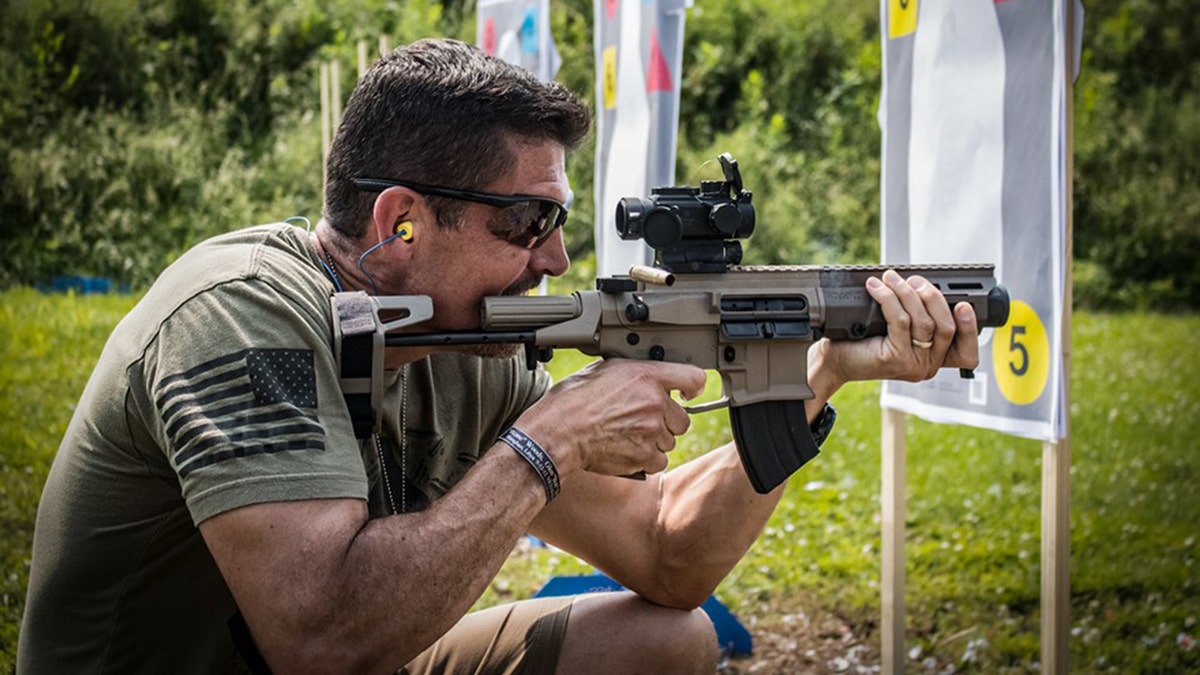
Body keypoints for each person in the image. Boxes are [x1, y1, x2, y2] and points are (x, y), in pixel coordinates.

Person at [18, 38, 980, 674]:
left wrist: (821, 375)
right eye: (528, 221)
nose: (556, 258)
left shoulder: (468, 338)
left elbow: (664, 554)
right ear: (399, 218)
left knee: (662, 641)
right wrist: (545, 442)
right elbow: (319, 638)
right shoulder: (240, 315)